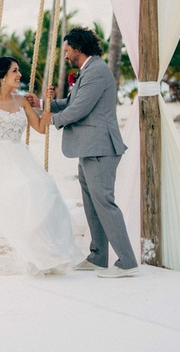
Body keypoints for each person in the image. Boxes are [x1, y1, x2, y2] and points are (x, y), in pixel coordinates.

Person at [34, 26, 138, 278]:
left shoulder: (97, 71)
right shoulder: (88, 70)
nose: (66, 55)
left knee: (104, 202)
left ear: (78, 48)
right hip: (88, 147)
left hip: (101, 148)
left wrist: (51, 120)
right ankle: (98, 256)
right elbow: (70, 103)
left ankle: (127, 261)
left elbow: (79, 109)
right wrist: (40, 104)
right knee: (91, 204)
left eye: (68, 50)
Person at [0, 56, 83, 276]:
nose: (19, 75)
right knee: (26, 190)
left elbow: (41, 129)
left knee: (48, 190)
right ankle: (34, 255)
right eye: (15, 71)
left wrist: (47, 102)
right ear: (2, 76)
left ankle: (47, 253)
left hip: (21, 157)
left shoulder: (21, 101)